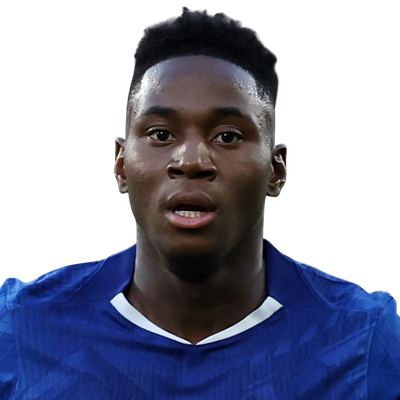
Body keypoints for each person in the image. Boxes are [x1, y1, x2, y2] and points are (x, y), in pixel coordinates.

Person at [1, 5, 399, 399]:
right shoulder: (19, 325)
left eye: (227, 136)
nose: (191, 161)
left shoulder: (368, 336)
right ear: (119, 165)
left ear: (277, 169)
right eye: (160, 134)